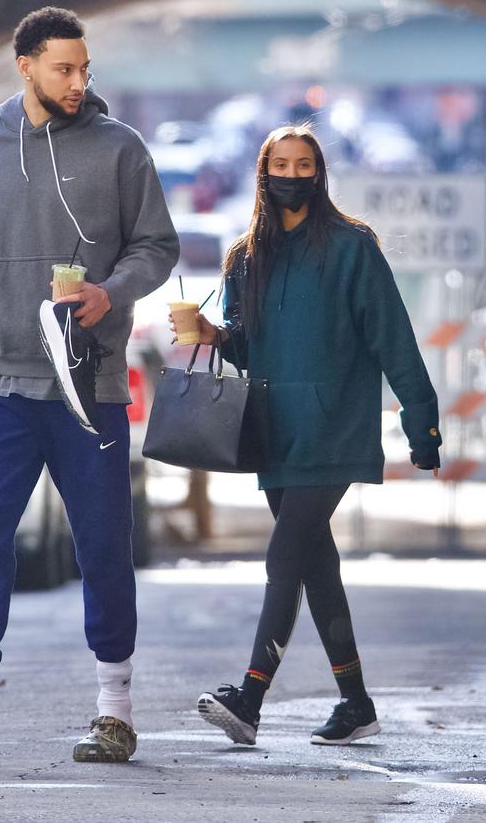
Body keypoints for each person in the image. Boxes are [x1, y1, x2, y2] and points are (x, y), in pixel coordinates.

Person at [0, 6, 179, 769]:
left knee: (102, 546)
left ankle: (114, 711)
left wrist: (110, 292)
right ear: (25, 65)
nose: (79, 82)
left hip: (88, 386)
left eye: (85, 69)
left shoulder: (122, 148)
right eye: (64, 68)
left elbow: (158, 245)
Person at [171, 124, 441, 747]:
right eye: (280, 165)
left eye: (304, 166)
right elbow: (248, 346)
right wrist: (212, 335)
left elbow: (392, 339)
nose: (292, 176)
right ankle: (356, 703)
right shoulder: (245, 257)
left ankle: (251, 696)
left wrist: (420, 425)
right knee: (316, 569)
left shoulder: (353, 248)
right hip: (274, 433)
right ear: (263, 173)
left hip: (332, 430)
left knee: (284, 557)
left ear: (320, 175)